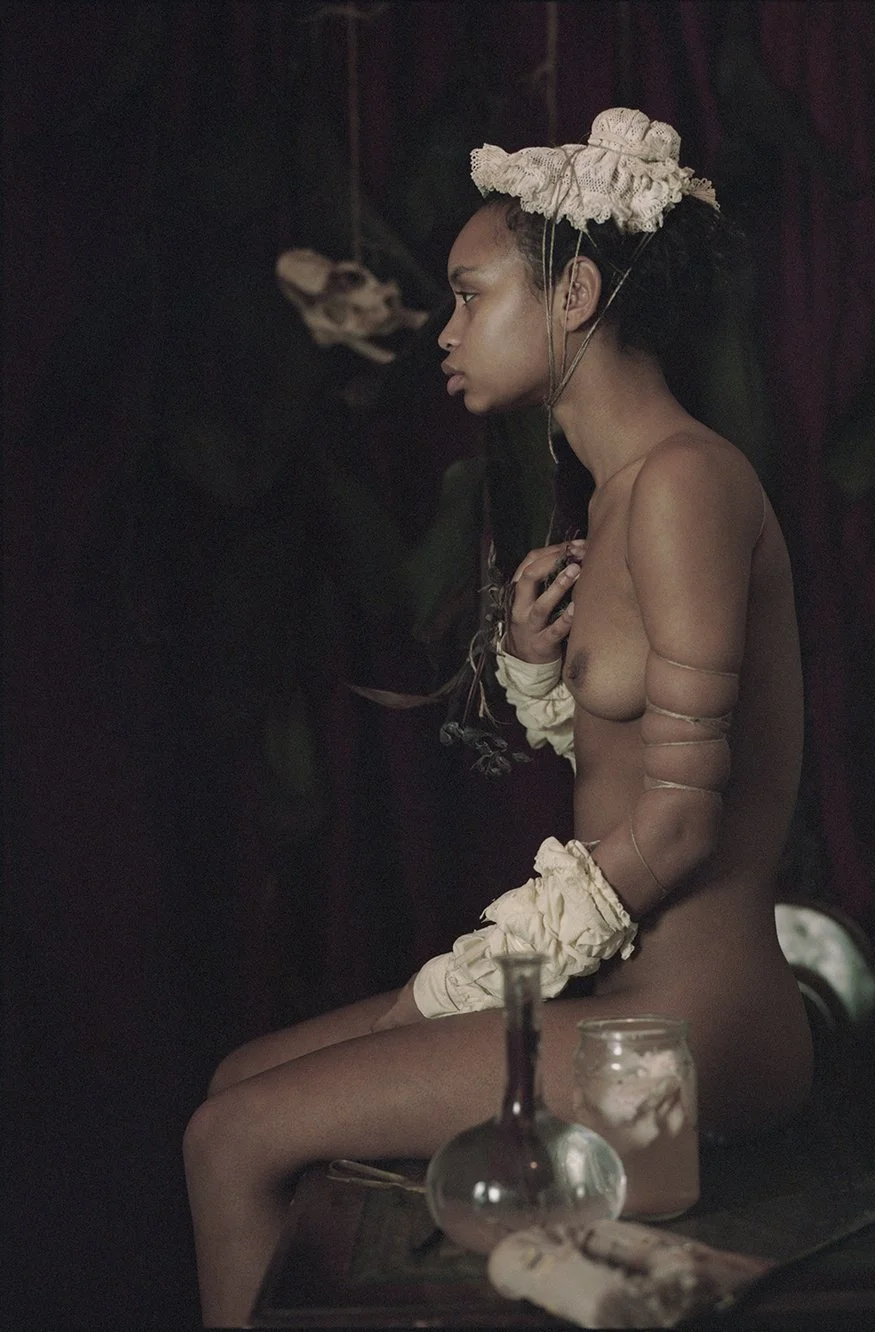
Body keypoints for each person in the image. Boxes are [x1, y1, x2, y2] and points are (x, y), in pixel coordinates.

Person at [183, 108, 812, 1327]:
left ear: (574, 292)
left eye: (471, 298)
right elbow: (648, 773)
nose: (447, 332)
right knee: (234, 1085)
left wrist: (480, 978)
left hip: (685, 1051)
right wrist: (541, 674)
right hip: (625, 1015)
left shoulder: (685, 483)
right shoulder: (620, 497)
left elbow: (682, 831)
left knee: (229, 1140)